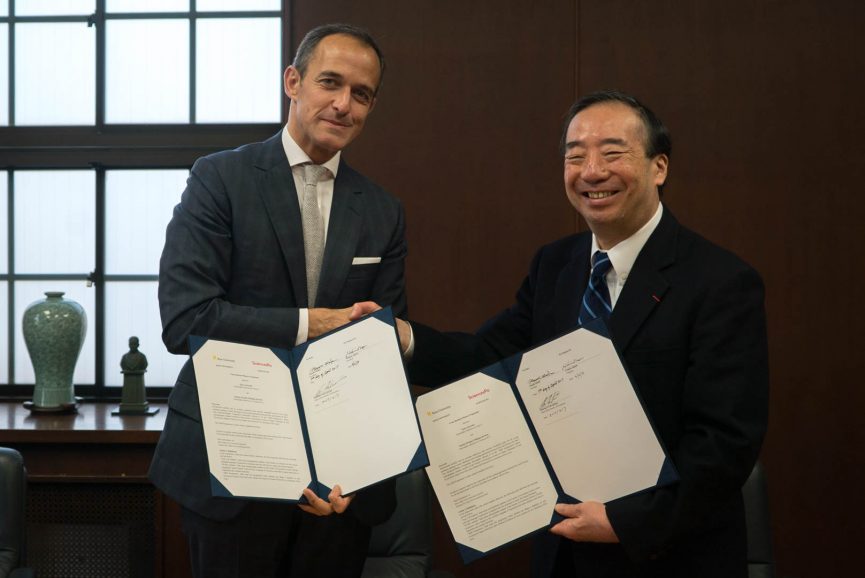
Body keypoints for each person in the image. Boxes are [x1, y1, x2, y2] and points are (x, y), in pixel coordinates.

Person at [360, 90, 768, 577]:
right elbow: (490, 356)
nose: (591, 172)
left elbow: (725, 442)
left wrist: (626, 522)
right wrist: (405, 339)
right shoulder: (556, 265)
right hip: (564, 551)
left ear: (659, 167)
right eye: (575, 156)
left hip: (668, 554)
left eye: (612, 153)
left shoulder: (720, 282)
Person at [149, 23, 407, 578]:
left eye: (361, 94)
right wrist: (310, 324)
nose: (344, 104)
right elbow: (186, 319)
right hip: (230, 465)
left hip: (337, 486)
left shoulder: (382, 210)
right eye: (330, 83)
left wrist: (356, 466)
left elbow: (378, 349)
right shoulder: (219, 179)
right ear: (293, 81)